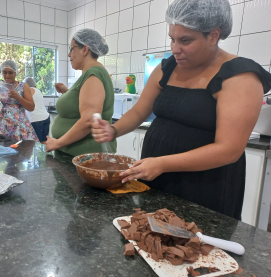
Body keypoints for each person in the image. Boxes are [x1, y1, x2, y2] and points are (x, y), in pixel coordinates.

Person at [92, 0, 271, 220]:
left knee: (193, 246)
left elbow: (229, 149)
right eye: (172, 39)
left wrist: (163, 163)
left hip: (204, 184)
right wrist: (114, 130)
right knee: (150, 238)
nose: (175, 49)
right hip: (157, 175)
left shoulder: (239, 76)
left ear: (214, 35)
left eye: (186, 40)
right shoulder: (167, 67)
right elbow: (140, 111)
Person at [46, 28, 116, 156]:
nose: (69, 54)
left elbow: (89, 120)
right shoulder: (91, 74)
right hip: (76, 155)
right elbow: (84, 102)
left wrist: (57, 143)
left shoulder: (93, 74)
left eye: (71, 49)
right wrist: (67, 93)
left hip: (86, 157)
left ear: (85, 49)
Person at [0, 60, 38, 141]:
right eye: (4, 72)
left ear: (15, 73)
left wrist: (18, 97)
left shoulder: (23, 86)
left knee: (23, 150)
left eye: (10, 72)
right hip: (2, 125)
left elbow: (31, 107)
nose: (7, 75)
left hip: (20, 125)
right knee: (3, 149)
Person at [23, 77, 50, 143]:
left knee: (36, 143)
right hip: (46, 118)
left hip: (36, 119)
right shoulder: (38, 90)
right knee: (44, 141)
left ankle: (39, 153)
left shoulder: (29, 90)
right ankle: (44, 153)